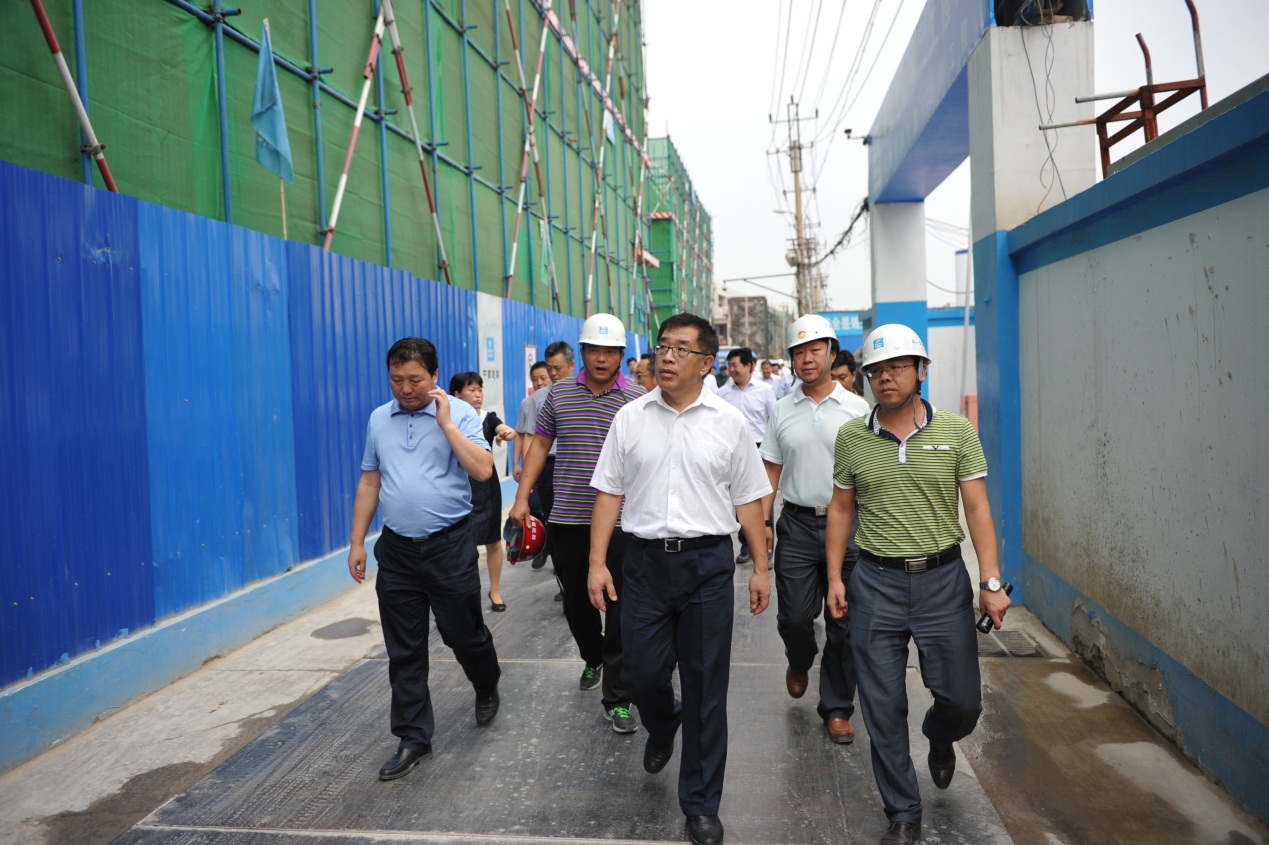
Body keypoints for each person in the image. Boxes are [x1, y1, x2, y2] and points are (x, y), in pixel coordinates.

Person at [588, 313, 771, 845]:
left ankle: (701, 805)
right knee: (641, 675)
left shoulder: (729, 423)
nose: (667, 356)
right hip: (644, 563)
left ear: (706, 363)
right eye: (663, 346)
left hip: (707, 565)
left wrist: (761, 569)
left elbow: (749, 501)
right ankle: (664, 722)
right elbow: (609, 492)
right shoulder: (630, 417)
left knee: (706, 686)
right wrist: (597, 563)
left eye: (681, 349)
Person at [824, 324, 1011, 845]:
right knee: (882, 706)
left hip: (943, 582)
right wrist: (836, 576)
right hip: (875, 583)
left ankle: (939, 734)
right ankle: (903, 813)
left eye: (897, 367)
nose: (886, 378)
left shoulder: (956, 432)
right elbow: (841, 508)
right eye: (876, 371)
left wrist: (990, 581)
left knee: (962, 703)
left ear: (921, 371)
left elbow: (978, 509)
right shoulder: (852, 437)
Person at [348, 337, 502, 782]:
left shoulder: (462, 413)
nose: (405, 388)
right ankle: (413, 736)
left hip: (448, 546)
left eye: (415, 379)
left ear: (434, 376)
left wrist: (446, 422)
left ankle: (486, 681)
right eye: (396, 379)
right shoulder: (379, 418)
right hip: (397, 550)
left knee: (462, 634)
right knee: (405, 649)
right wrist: (357, 542)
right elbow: (370, 481)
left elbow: (483, 470)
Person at [510, 314, 645, 734]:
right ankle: (593, 656)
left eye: (610, 352)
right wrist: (521, 498)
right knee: (576, 603)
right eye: (594, 350)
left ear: (621, 355)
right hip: (568, 517)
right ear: (582, 352)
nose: (602, 359)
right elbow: (540, 445)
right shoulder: (559, 394)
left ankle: (617, 699)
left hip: (622, 522)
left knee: (619, 608)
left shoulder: (638, 399)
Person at [760, 315, 870, 745]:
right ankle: (799, 659)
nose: (806, 359)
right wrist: (763, 524)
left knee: (845, 621)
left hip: (852, 527)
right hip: (798, 525)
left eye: (815, 350)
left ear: (831, 353)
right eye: (799, 352)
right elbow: (770, 471)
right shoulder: (782, 409)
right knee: (794, 617)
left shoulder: (859, 410)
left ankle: (837, 708)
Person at [450, 372, 516, 611]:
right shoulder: (448, 421)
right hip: (458, 488)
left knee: (492, 541)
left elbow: (508, 431)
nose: (478, 395)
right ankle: (461, 595)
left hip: (486, 488)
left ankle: (495, 591)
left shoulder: (488, 418)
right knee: (458, 545)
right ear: (457, 395)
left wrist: (505, 433)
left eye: (480, 389)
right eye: (472, 390)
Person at [518, 343, 575, 585]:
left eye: (557, 368)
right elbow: (531, 438)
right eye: (549, 368)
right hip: (549, 467)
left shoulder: (584, 394)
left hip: (577, 464)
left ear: (572, 365)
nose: (552, 373)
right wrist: (527, 477)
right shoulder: (539, 398)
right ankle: (564, 583)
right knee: (554, 522)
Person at [717, 347, 776, 564]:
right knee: (739, 497)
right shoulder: (723, 393)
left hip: (760, 447)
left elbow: (773, 420)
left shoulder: (765, 390)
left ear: (749, 366)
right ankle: (746, 545)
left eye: (735, 365)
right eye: (729, 365)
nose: (731, 369)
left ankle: (767, 548)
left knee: (763, 498)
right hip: (734, 450)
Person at [514, 361, 552, 570]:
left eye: (543, 378)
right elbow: (523, 435)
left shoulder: (562, 396)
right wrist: (517, 464)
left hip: (558, 463)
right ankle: (544, 545)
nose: (539, 382)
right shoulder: (529, 403)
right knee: (538, 507)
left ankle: (554, 548)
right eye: (534, 379)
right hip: (539, 464)